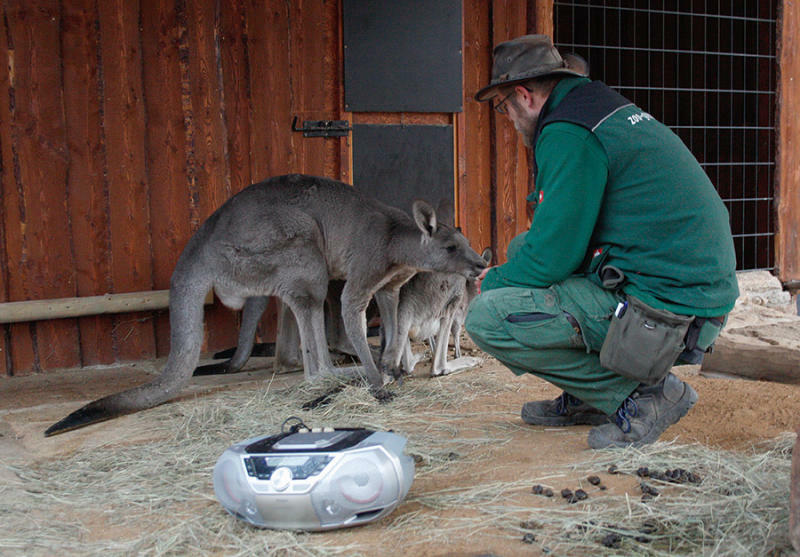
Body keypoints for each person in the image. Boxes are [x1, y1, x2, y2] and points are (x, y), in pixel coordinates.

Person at [465, 35, 739, 449]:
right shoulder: (595, 108)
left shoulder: (568, 132)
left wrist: (494, 280)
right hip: (688, 288)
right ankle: (592, 395)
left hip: (671, 309)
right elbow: (550, 240)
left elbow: (553, 258)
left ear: (524, 95)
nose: (508, 118)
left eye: (504, 107)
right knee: (523, 248)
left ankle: (641, 398)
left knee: (487, 318)